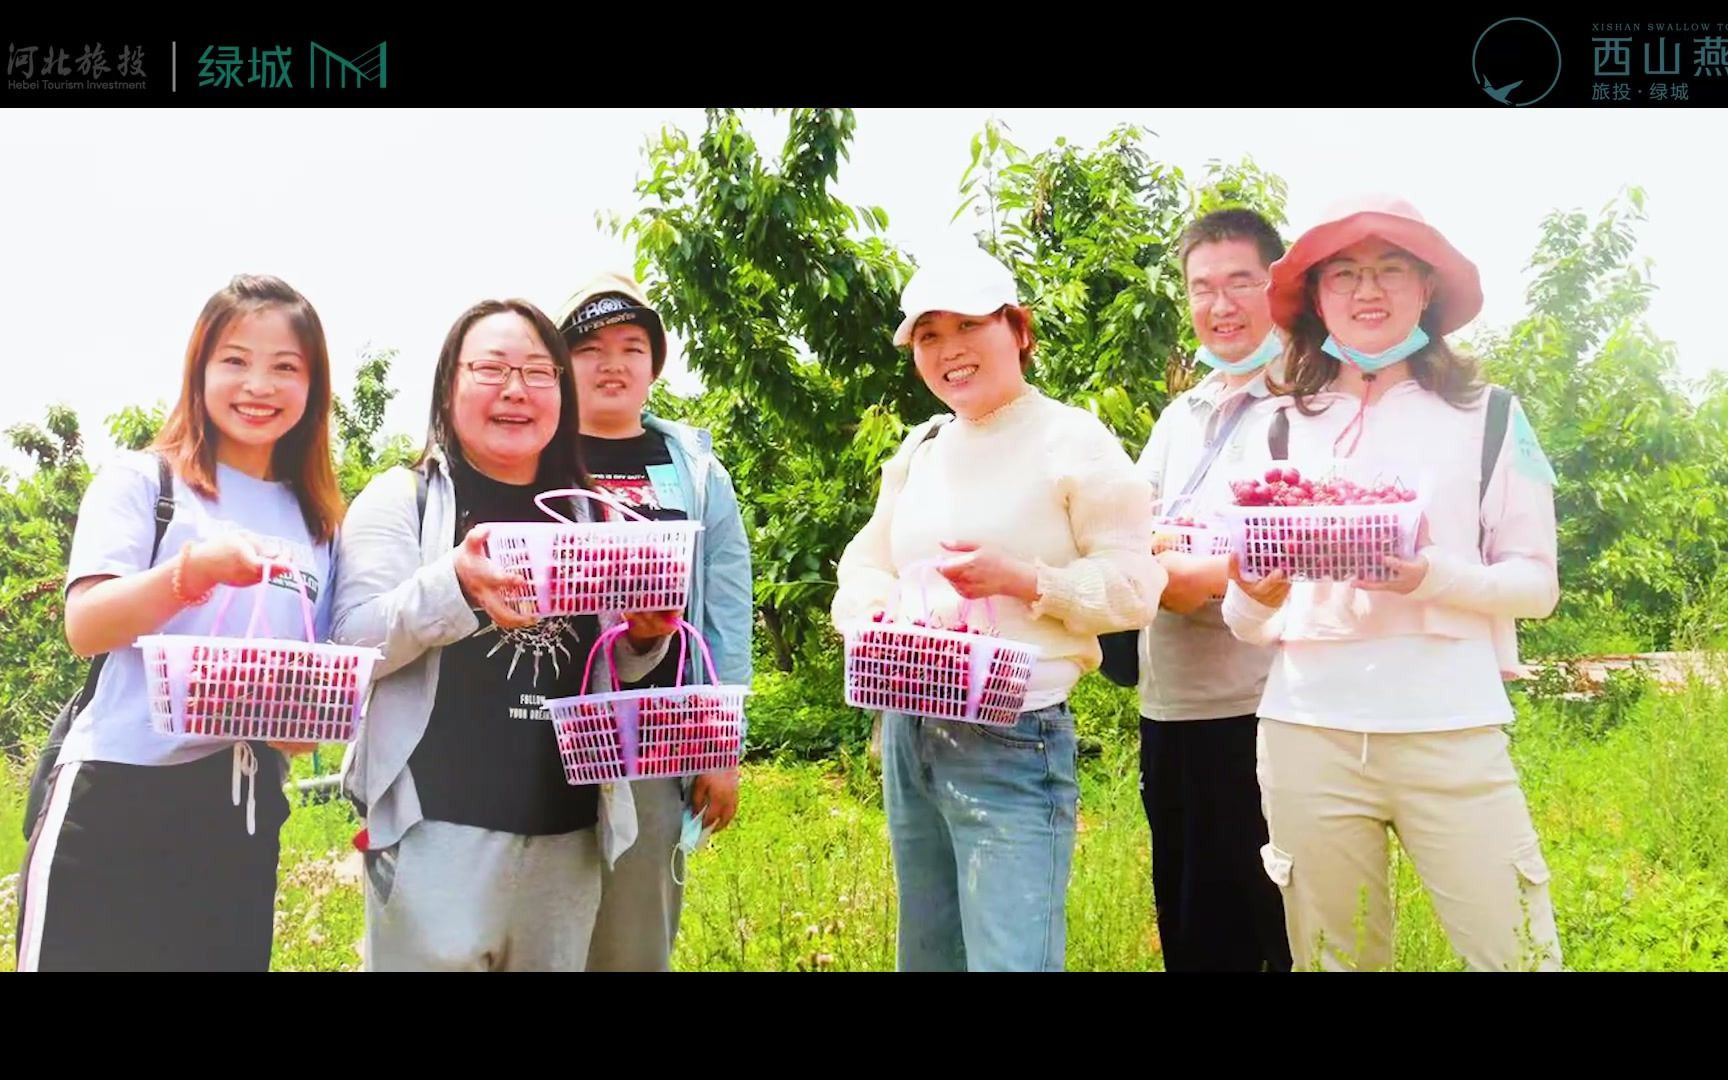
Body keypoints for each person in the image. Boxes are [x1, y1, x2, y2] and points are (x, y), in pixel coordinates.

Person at [1223, 194, 1564, 971]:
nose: (1366, 292)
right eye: (1343, 274)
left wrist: (1426, 576)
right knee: (1334, 958)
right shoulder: (1276, 425)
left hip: (1451, 730)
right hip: (1308, 731)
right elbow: (1245, 616)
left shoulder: (1489, 416)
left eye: (1389, 271)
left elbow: (1535, 584)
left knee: (1516, 952)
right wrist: (1259, 591)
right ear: (1315, 298)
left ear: (1426, 292)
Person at [831, 245, 1164, 971]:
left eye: (968, 326)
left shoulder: (1071, 439)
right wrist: (874, 613)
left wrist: (1023, 580)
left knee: (1010, 960)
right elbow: (864, 564)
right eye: (927, 335)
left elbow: (1136, 588)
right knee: (930, 954)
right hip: (910, 729)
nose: (948, 350)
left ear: (1018, 329)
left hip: (1014, 736)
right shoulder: (920, 449)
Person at [333, 298, 675, 971]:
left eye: (538, 372)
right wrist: (454, 585)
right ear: (448, 386)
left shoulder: (591, 517)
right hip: (436, 831)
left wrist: (644, 637)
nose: (516, 390)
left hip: (567, 833)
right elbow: (350, 645)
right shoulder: (403, 500)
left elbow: (609, 668)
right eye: (491, 369)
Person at [18, 274, 344, 971]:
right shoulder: (145, 482)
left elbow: (304, 696)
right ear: (198, 370)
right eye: (235, 360)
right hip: (113, 797)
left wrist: (306, 720)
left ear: (313, 387)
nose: (258, 384)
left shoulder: (319, 524)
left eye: (285, 367)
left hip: (241, 808)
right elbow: (86, 625)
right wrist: (192, 573)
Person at [554, 272, 753, 972]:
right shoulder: (539, 457)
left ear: (655, 363)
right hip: (543, 732)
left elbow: (725, 607)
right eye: (590, 348)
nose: (613, 364)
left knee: (636, 939)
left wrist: (723, 747)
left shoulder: (694, 470)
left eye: (632, 347)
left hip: (653, 738)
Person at [1130, 208, 1293, 972]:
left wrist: (1167, 561)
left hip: (1264, 712)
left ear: (1280, 287)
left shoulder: (1306, 410)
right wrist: (1173, 560)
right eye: (1202, 287)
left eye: (1240, 282)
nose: (1220, 306)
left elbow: (1255, 568)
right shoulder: (1180, 415)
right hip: (1170, 712)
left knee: (1277, 926)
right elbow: (1124, 539)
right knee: (1193, 932)